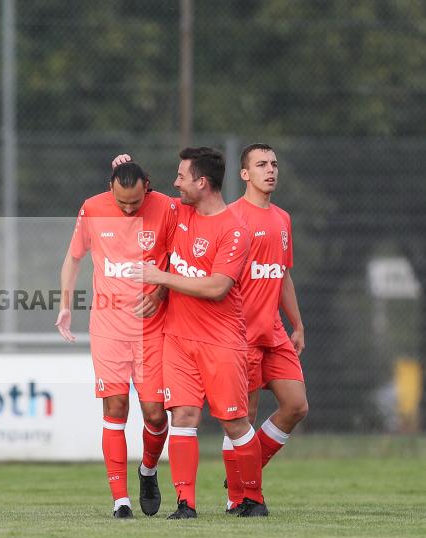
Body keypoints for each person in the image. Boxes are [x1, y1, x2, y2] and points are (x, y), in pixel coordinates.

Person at [120, 147, 268, 518]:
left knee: (235, 421)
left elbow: (217, 286)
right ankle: (186, 503)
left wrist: (161, 278)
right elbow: (146, 197)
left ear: (202, 182)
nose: (176, 183)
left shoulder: (234, 229)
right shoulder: (180, 211)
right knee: (182, 418)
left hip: (222, 342)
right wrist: (127, 169)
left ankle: (252, 498)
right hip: (179, 340)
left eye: (182, 176)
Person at [56, 161, 176, 518]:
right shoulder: (92, 209)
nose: (127, 209)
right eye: (121, 202)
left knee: (155, 416)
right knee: (115, 408)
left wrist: (161, 292)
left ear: (148, 188)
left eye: (135, 203)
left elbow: (181, 261)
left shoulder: (168, 208)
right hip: (108, 327)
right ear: (110, 186)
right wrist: (65, 306)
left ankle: (149, 471)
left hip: (153, 328)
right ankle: (120, 501)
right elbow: (73, 258)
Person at [221, 144, 308, 512]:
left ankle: (243, 473)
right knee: (244, 419)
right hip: (242, 335)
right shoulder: (231, 218)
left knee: (296, 406)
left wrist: (298, 323)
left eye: (273, 164)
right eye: (261, 165)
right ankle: (236, 497)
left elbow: (282, 274)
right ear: (245, 174)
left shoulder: (282, 218)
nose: (270, 170)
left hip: (273, 333)